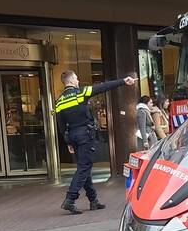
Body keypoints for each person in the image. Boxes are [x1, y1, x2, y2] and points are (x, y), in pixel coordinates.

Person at [55, 70, 136, 214]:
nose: (78, 81)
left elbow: (61, 125)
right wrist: (124, 81)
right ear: (72, 80)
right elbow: (104, 87)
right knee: (84, 167)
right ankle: (70, 199)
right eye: (77, 78)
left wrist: (68, 142)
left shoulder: (60, 101)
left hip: (73, 136)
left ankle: (93, 200)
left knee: (83, 167)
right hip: (84, 135)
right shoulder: (81, 93)